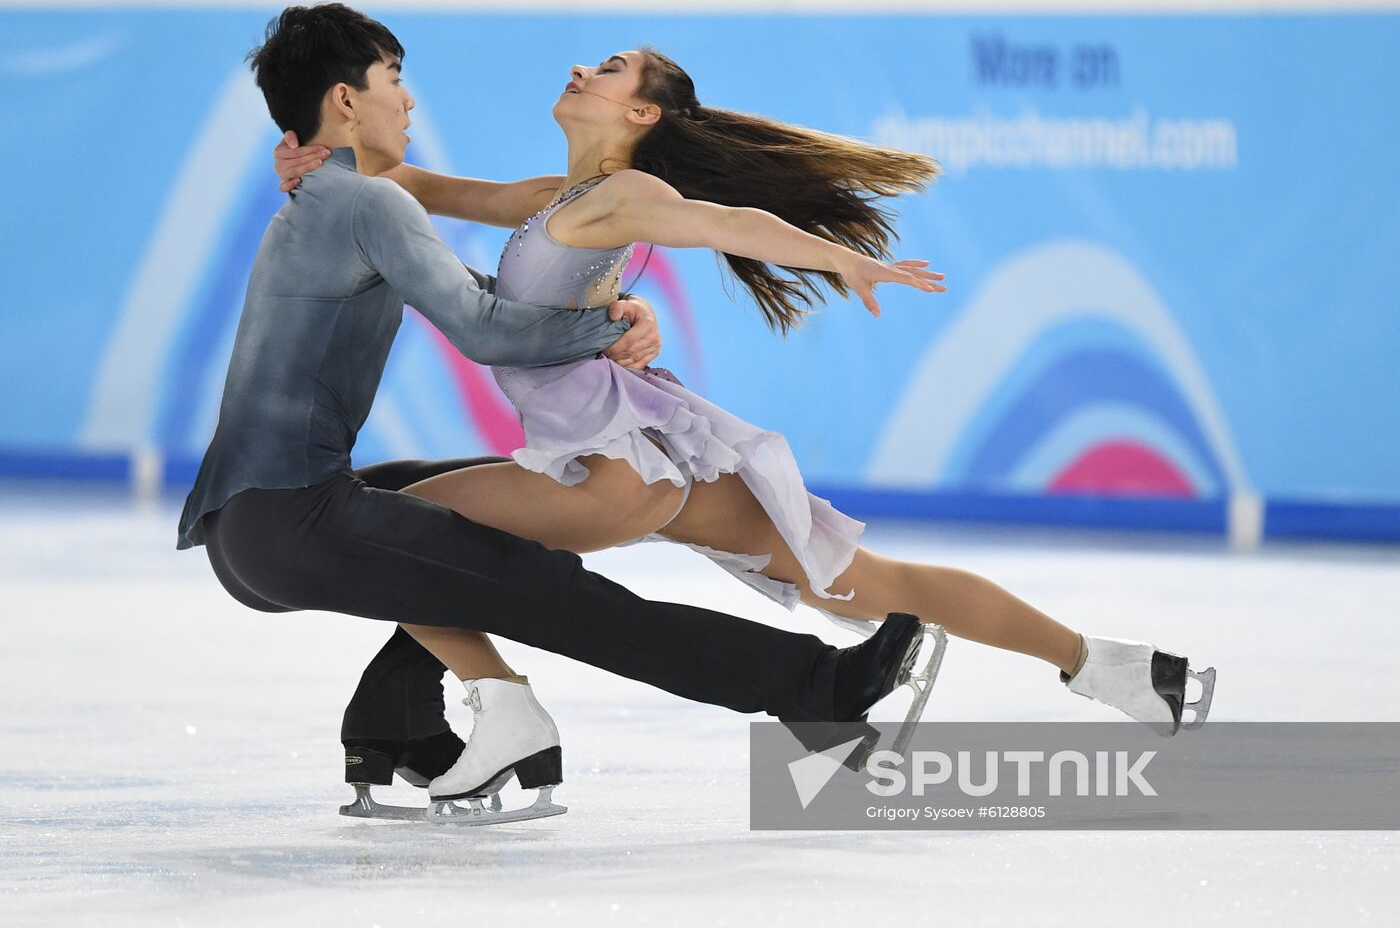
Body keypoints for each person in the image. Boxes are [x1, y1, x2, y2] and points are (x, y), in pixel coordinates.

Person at [275, 43, 1216, 803]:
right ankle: (1109, 667)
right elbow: (409, 185)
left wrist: (836, 259)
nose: (581, 70)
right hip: (647, 458)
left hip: (606, 469)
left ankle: (504, 711)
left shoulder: (625, 195)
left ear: (641, 115)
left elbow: (731, 224)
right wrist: (312, 164)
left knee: (379, 537)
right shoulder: (550, 198)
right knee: (863, 580)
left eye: (609, 71)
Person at [179, 4, 933, 812]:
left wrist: (609, 319)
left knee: (452, 525)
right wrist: (608, 322)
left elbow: (477, 294)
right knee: (541, 589)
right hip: (286, 519)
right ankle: (814, 685)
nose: (409, 101)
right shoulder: (367, 203)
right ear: (346, 101)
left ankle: (392, 721)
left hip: (259, 516)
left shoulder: (336, 199)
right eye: (394, 80)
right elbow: (484, 328)